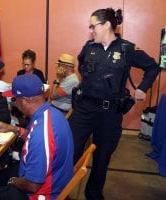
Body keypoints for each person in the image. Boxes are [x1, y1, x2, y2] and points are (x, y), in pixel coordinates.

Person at [69, 8, 161, 200]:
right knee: (70, 151)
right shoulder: (89, 47)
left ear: (107, 25)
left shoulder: (126, 49)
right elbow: (81, 64)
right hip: (84, 110)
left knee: (102, 157)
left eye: (93, 26)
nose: (91, 30)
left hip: (109, 114)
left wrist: (143, 88)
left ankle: (93, 194)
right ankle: (61, 191)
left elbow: (152, 66)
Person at [0, 74, 74, 200]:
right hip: (55, 178)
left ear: (25, 101)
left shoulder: (41, 134)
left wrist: (13, 181)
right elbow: (37, 137)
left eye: (14, 100)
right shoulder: (51, 113)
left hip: (41, 194)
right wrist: (15, 129)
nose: (14, 104)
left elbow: (33, 185)